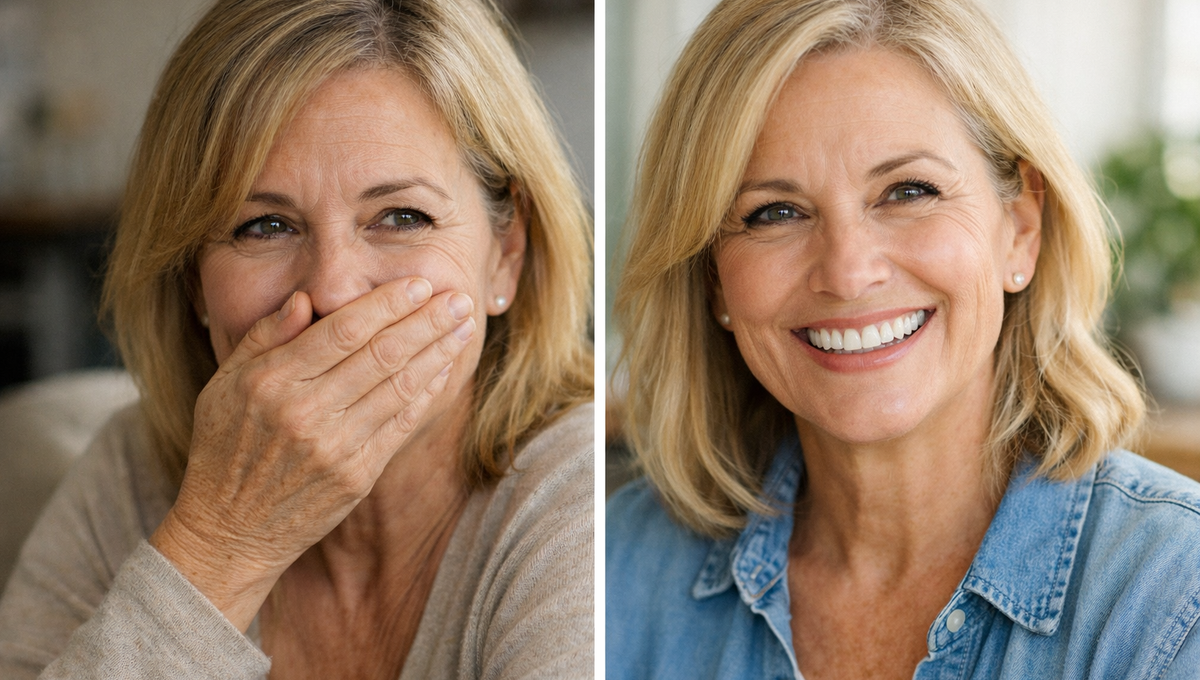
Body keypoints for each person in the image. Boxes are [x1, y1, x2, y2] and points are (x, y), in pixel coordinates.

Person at [607, 0, 1200, 677]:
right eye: (775, 212)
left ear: (1020, 229)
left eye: (908, 191)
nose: (848, 273)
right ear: (714, 279)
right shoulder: (623, 565)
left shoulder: (1176, 600)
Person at [0, 0, 593, 677]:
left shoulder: (576, 506)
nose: (333, 292)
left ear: (506, 254)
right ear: (194, 281)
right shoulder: (129, 475)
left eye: (402, 217)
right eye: (264, 226)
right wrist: (221, 544)